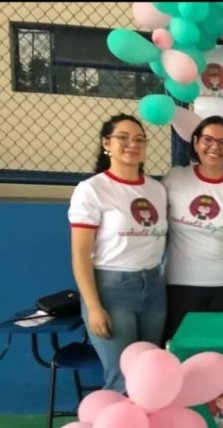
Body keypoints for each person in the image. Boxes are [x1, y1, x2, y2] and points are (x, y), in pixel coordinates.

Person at [68, 113, 167, 393]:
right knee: (122, 378)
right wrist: (95, 307)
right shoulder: (92, 190)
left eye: (139, 139)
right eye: (122, 138)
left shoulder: (156, 189)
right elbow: (80, 255)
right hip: (112, 291)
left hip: (153, 288)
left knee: (150, 373)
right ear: (106, 143)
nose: (132, 144)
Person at [162, 115, 223, 341]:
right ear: (196, 143)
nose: (215, 147)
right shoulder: (175, 178)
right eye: (208, 139)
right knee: (181, 353)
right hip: (180, 286)